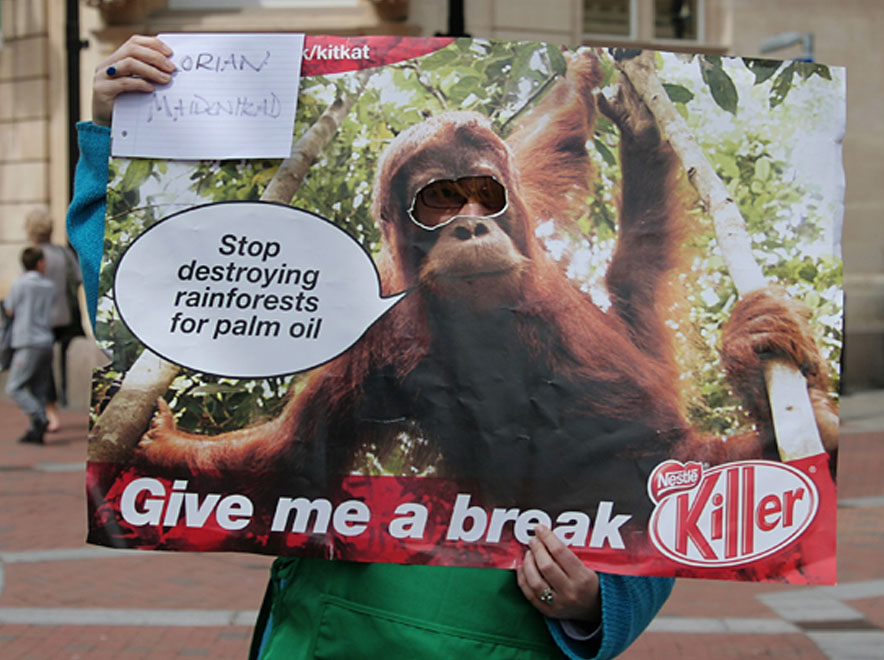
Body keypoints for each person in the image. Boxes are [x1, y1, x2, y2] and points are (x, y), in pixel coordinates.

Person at [68, 35, 674, 658]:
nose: (470, 222)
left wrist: (597, 603)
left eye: (486, 197)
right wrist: (113, 135)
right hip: (333, 629)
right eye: (436, 201)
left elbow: (558, 132)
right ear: (398, 233)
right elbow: (159, 302)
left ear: (511, 206)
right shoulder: (375, 322)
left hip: (507, 635)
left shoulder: (583, 345)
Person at [24, 207, 83, 432]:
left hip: (40, 319)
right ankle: (62, 398)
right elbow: (78, 278)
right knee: (61, 363)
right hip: (65, 316)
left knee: (43, 367)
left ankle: (50, 411)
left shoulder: (32, 256)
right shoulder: (63, 253)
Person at [4, 247, 56, 445]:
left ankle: (40, 418)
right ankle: (36, 431)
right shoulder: (49, 286)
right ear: (39, 263)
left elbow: (9, 309)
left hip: (27, 341)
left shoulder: (19, 284)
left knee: (14, 387)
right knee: (39, 389)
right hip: (46, 340)